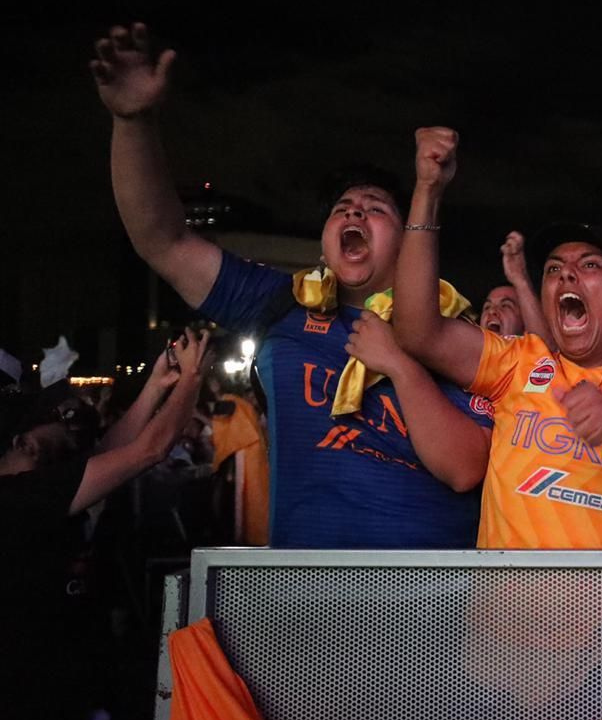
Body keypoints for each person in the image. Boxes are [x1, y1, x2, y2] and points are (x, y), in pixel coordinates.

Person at [90, 23, 492, 548]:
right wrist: (132, 121)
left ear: (408, 238)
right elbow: (162, 241)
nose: (354, 213)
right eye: (343, 209)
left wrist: (401, 360)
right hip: (299, 594)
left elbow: (466, 469)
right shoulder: (280, 304)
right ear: (326, 238)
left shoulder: (452, 331)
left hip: (429, 597)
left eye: (375, 210)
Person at [392, 126, 602, 548]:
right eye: (553, 269)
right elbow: (417, 332)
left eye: (590, 266)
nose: (566, 274)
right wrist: (427, 193)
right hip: (504, 613)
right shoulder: (519, 361)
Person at [2, 329, 209, 718]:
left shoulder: (37, 483)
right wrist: (193, 380)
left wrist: (156, 385)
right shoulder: (21, 497)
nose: (73, 430)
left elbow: (110, 454)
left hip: (69, 683)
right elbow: (148, 450)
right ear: (25, 442)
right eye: (61, 423)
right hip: (35, 695)